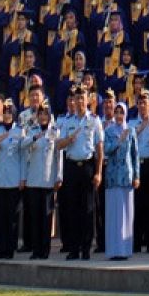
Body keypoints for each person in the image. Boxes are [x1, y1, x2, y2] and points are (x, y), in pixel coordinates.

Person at [55, 85, 105, 260]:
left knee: (88, 209)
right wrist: (68, 140)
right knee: (72, 209)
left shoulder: (94, 121)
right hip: (71, 166)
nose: (79, 102)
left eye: (83, 99)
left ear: (88, 101)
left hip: (87, 166)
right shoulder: (67, 121)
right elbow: (58, 145)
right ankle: (74, 248)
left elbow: (100, 149)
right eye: (77, 99)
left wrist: (98, 173)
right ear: (73, 102)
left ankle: (85, 248)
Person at [20, 104, 60, 259]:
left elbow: (59, 156)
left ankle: (45, 250)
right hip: (33, 180)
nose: (43, 117)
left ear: (49, 116)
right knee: (35, 217)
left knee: (46, 217)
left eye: (45, 114)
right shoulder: (31, 131)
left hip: (48, 180)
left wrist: (59, 176)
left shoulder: (55, 132)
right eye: (40, 114)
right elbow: (23, 146)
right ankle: (36, 250)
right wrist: (35, 137)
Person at [0, 99, 23, 259]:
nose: (7, 115)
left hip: (14, 180)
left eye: (10, 112)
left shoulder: (20, 132)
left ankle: (11, 248)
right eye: (5, 112)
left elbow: (23, 157)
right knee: (1, 217)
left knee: (12, 216)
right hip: (0, 180)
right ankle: (2, 249)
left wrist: (23, 178)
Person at [104, 101, 139, 260]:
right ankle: (113, 250)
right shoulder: (109, 131)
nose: (119, 116)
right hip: (112, 177)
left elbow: (135, 155)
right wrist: (118, 141)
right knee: (113, 214)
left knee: (126, 213)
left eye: (121, 113)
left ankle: (124, 250)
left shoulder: (131, 130)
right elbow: (106, 150)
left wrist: (137, 176)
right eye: (116, 112)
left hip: (126, 176)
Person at [129, 91, 149, 254]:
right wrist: (143, 125)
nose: (142, 106)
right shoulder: (133, 123)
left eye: (145, 103)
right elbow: (130, 138)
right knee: (137, 204)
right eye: (140, 103)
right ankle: (136, 240)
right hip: (137, 165)